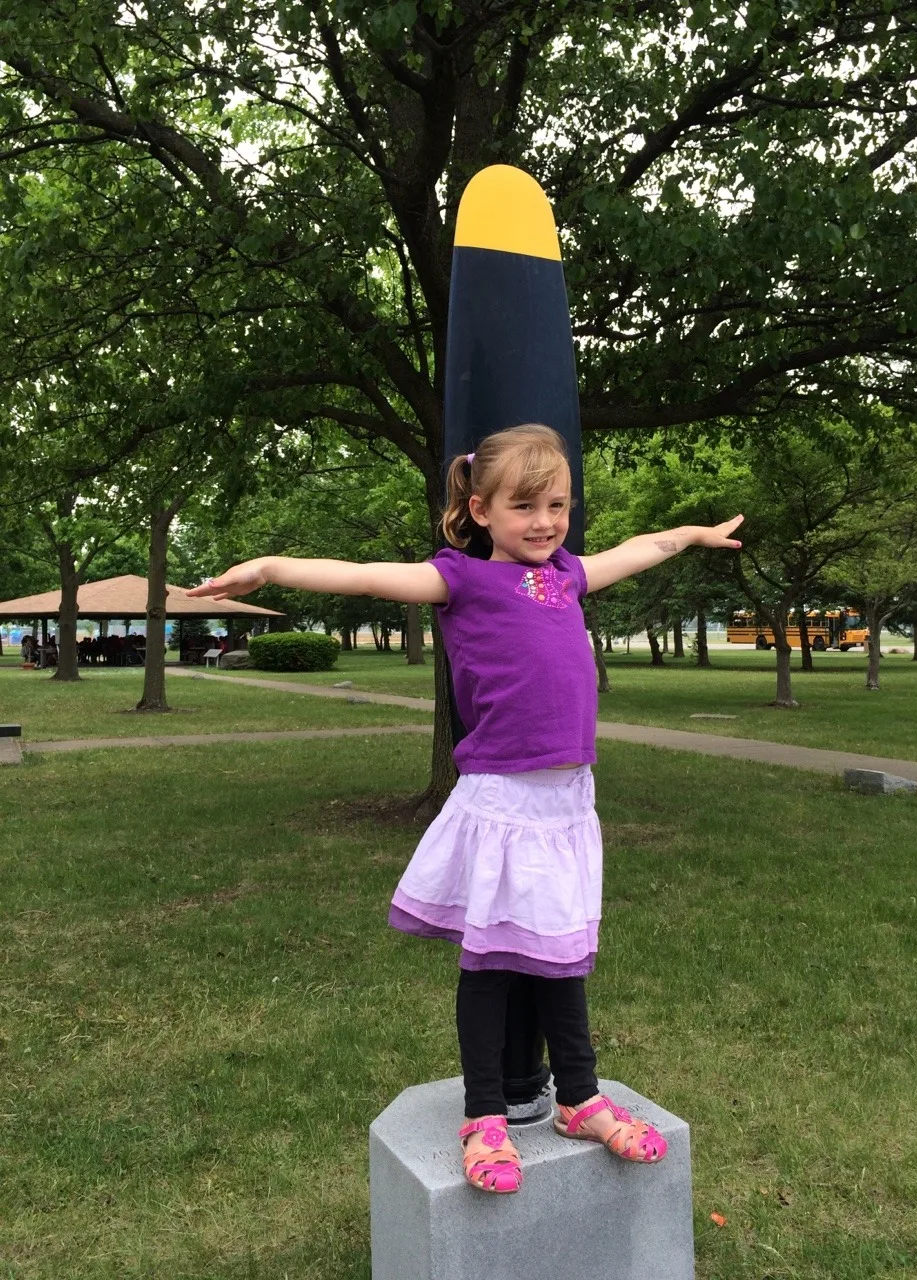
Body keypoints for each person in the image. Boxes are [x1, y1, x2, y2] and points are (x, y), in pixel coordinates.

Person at [186, 424, 743, 1196]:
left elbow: (641, 548)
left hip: (567, 803)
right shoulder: (463, 579)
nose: (546, 522)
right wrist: (271, 567)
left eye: (558, 505)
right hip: (502, 801)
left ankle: (578, 1098)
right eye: (525, 507)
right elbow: (363, 579)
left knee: (562, 961)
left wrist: (688, 534)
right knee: (488, 965)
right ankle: (485, 1116)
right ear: (481, 509)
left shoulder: (569, 576)